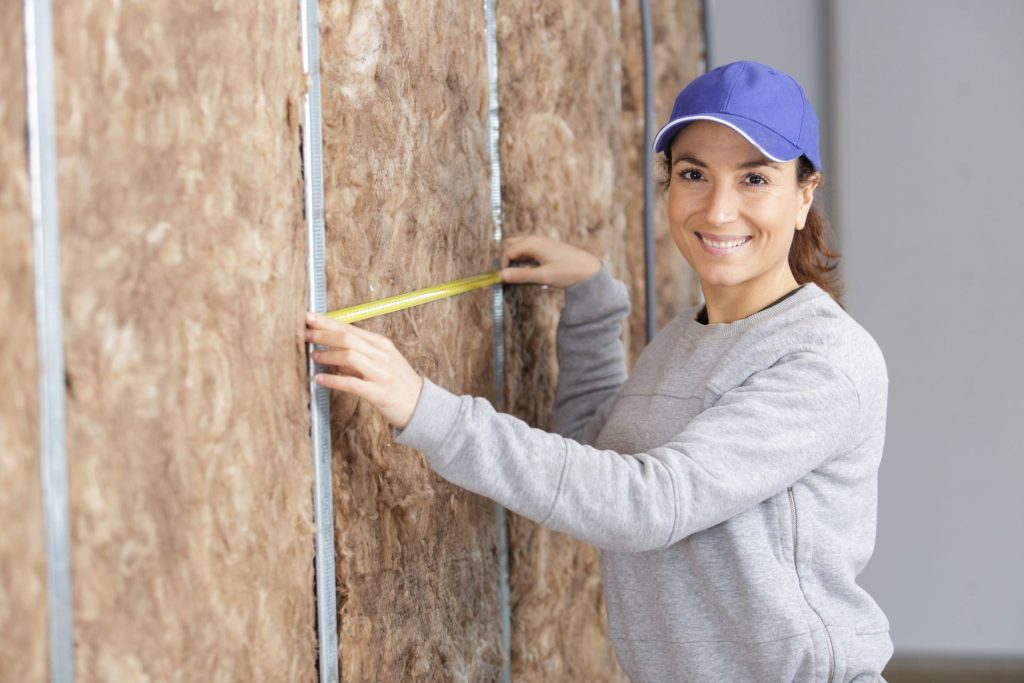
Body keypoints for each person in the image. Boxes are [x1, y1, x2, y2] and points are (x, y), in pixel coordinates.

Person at [305, 60, 892, 682]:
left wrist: (426, 409)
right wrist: (591, 298)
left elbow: (647, 506)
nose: (719, 210)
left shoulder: (824, 362)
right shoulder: (686, 338)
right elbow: (593, 447)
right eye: (694, 174)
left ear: (804, 195)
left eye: (754, 179)